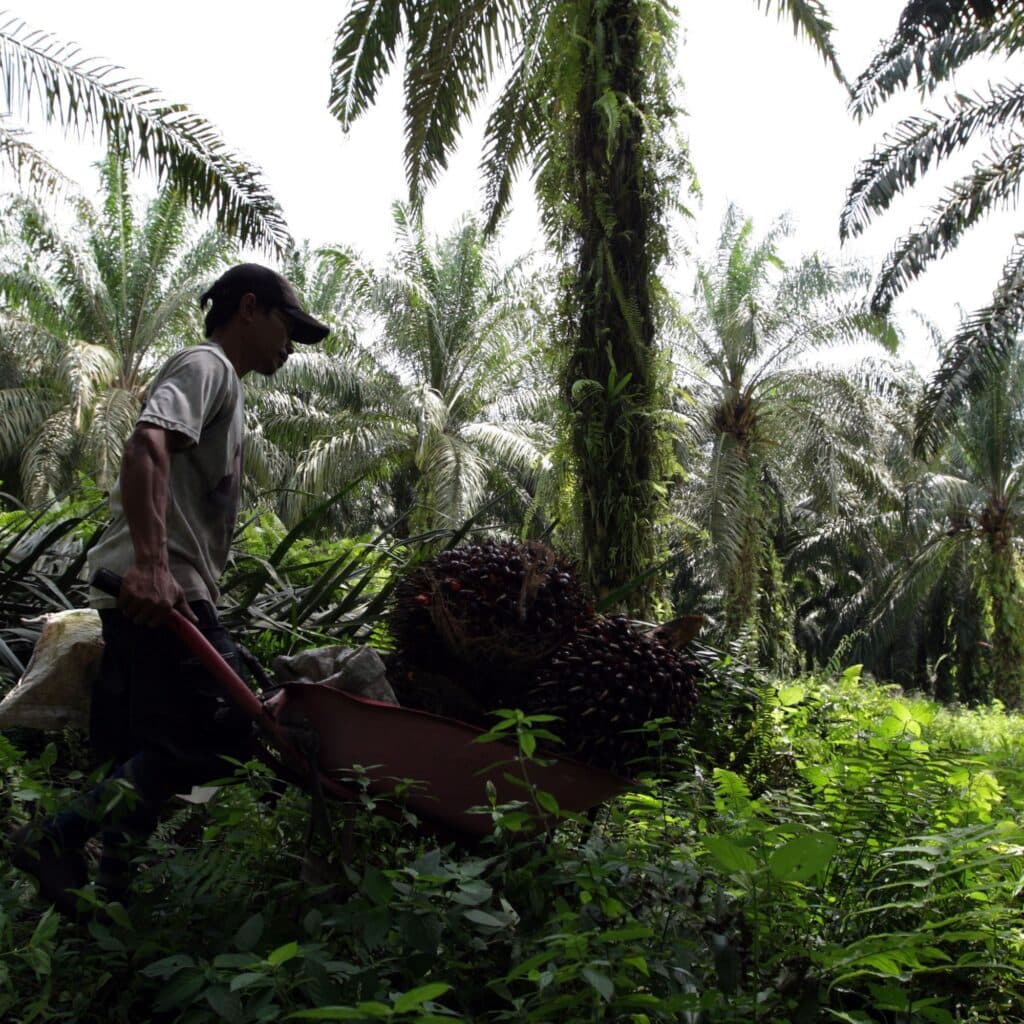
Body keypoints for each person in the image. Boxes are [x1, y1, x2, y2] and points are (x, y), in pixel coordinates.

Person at [8, 263, 329, 919]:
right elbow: (145, 446)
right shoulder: (206, 366)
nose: (290, 346)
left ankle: (110, 905)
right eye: (286, 326)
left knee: (145, 750)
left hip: (159, 595)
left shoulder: (226, 389)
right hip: (160, 595)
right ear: (249, 307)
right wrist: (154, 567)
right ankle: (55, 837)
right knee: (228, 732)